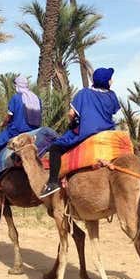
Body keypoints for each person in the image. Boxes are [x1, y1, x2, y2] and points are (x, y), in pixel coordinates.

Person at [40, 67, 120, 198]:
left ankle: (53, 182)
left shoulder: (84, 93)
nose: (112, 80)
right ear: (106, 82)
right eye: (110, 78)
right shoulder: (112, 95)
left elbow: (71, 114)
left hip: (87, 133)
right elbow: (112, 112)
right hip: (107, 133)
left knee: (55, 148)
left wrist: (72, 123)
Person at [0, 76, 42, 184]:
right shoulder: (36, 99)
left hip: (16, 131)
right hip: (34, 131)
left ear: (17, 85)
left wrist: (3, 123)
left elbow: (9, 116)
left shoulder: (16, 98)